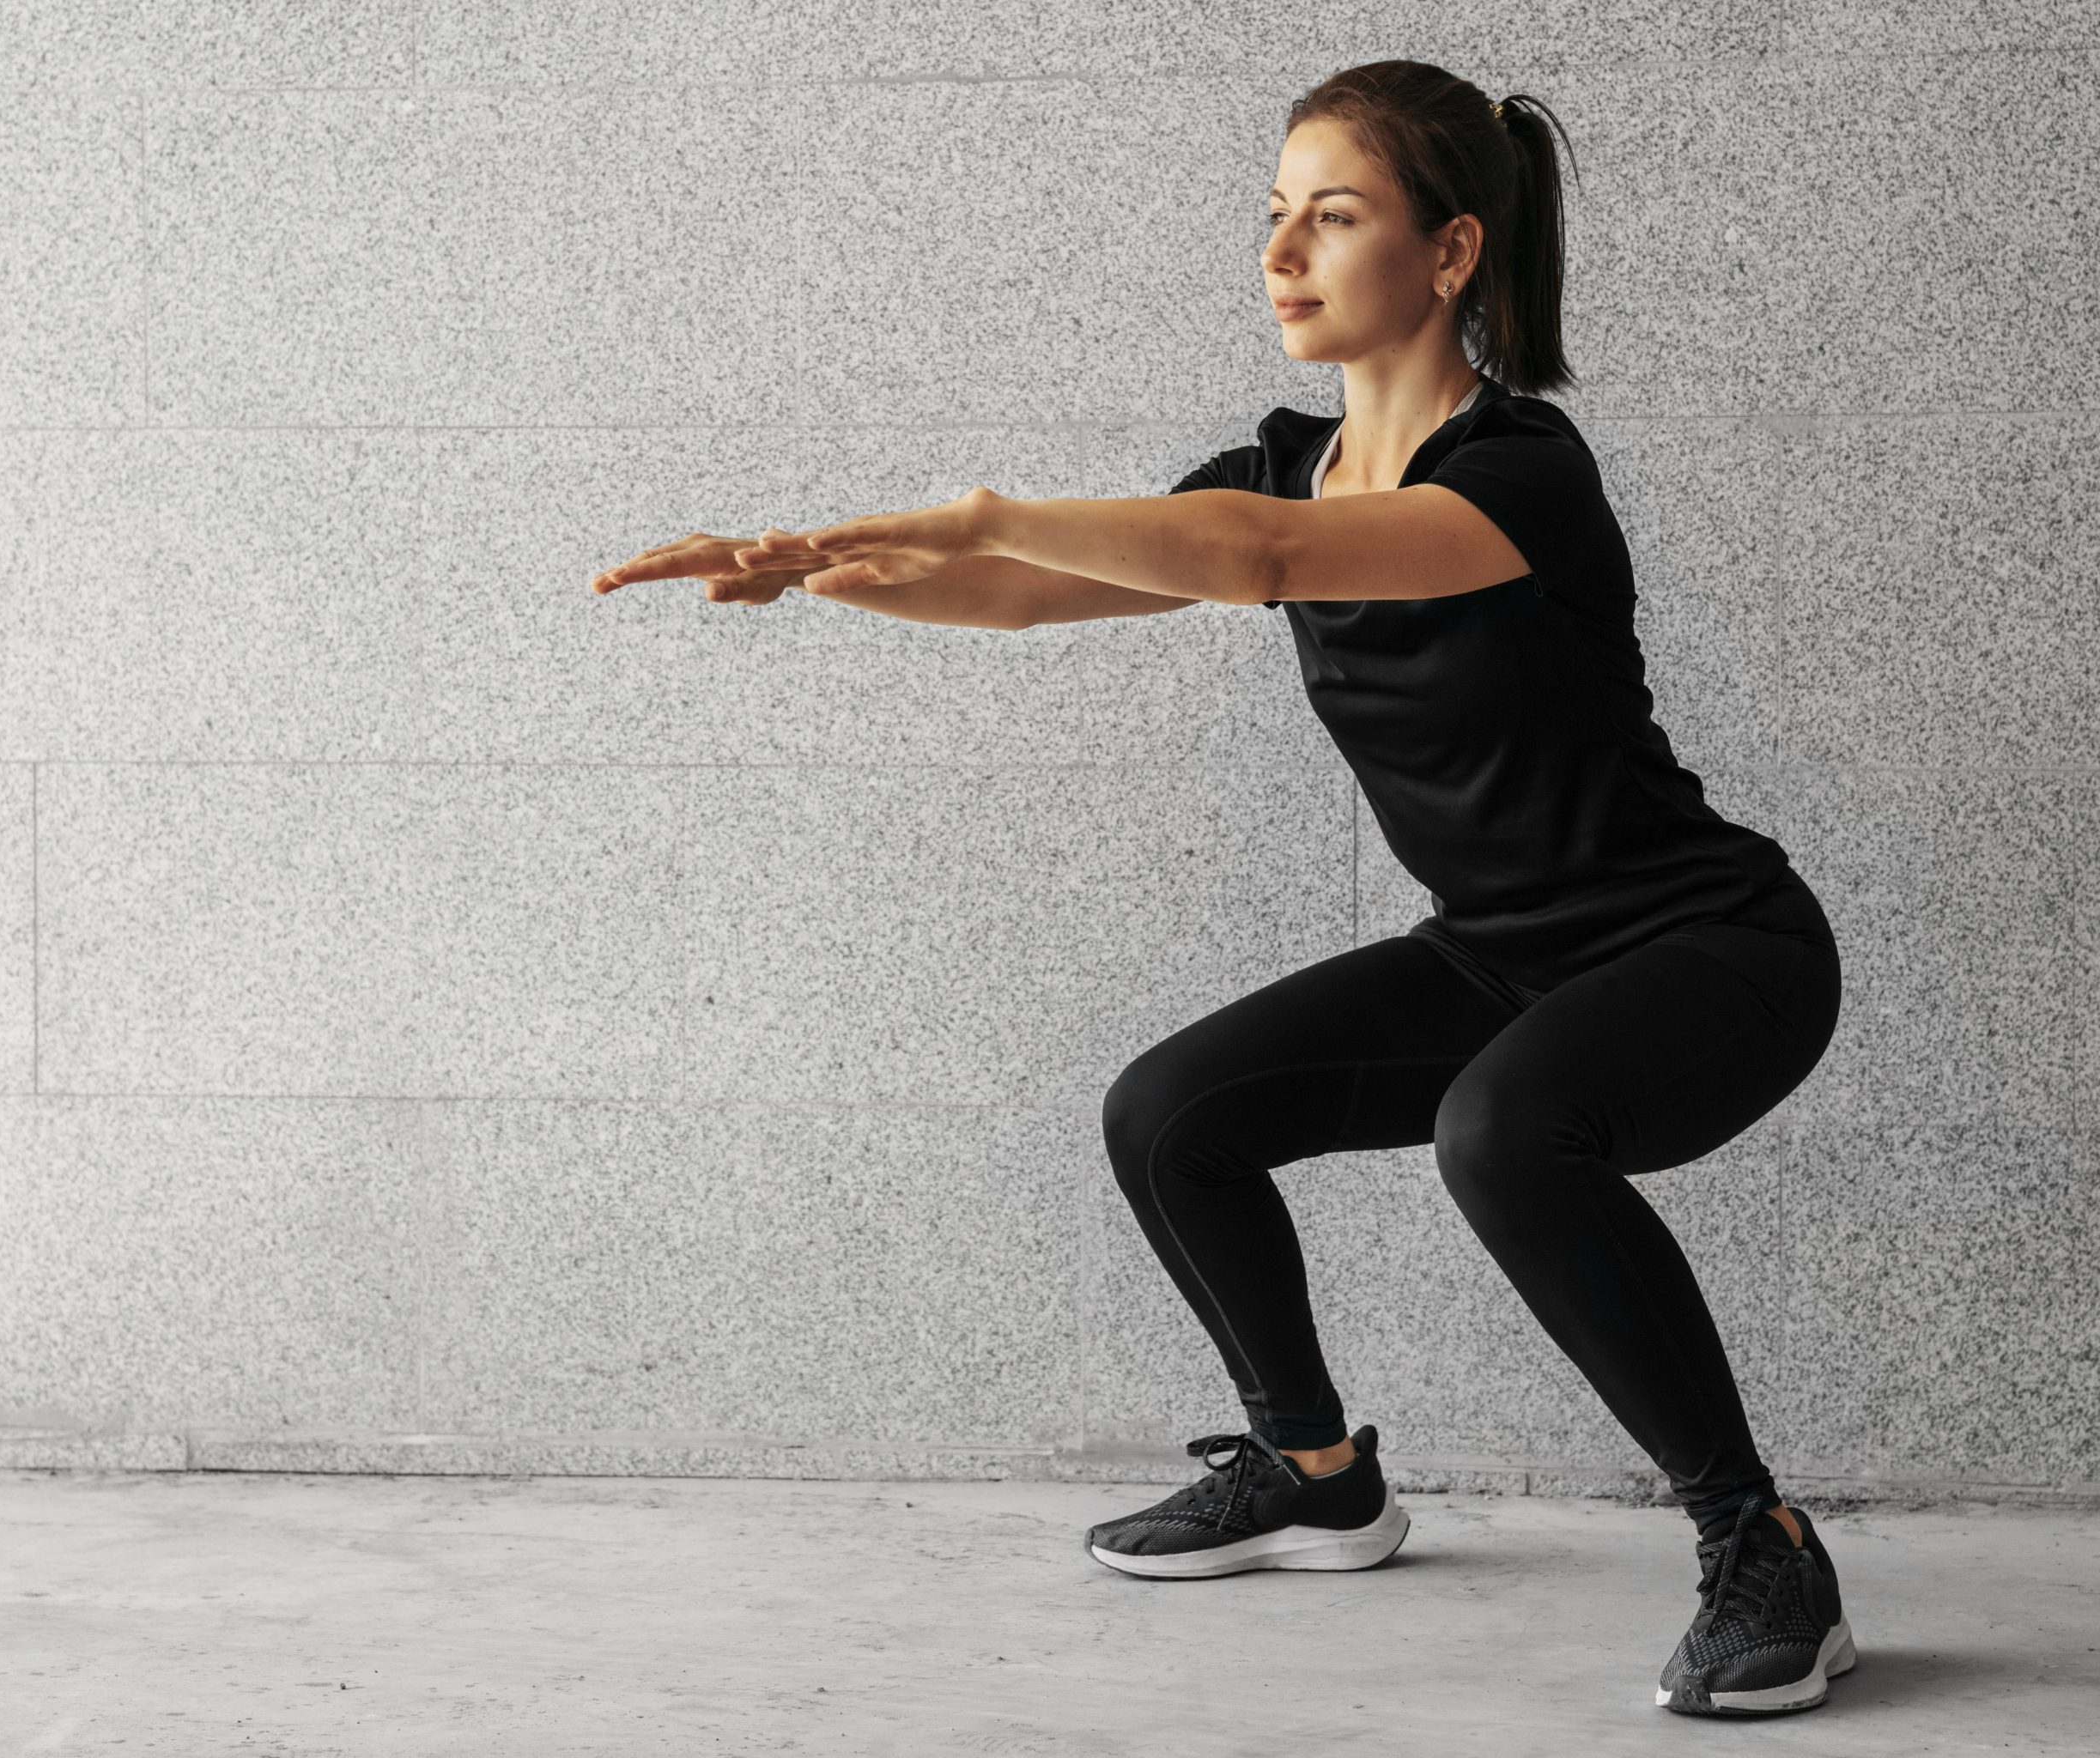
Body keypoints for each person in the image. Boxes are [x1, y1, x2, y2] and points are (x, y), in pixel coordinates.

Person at [592, 58, 1853, 1720]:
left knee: (1497, 1132)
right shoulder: (1279, 465)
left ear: (1450, 251)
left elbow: (1253, 563)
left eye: (1330, 216)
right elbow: (1027, 594)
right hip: (1497, 953)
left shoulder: (1516, 474)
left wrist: (977, 511)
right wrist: (810, 564)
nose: (1279, 253)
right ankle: (1313, 1472)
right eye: (1271, 214)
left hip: (1713, 949)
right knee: (1169, 1113)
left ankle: (1758, 1541)